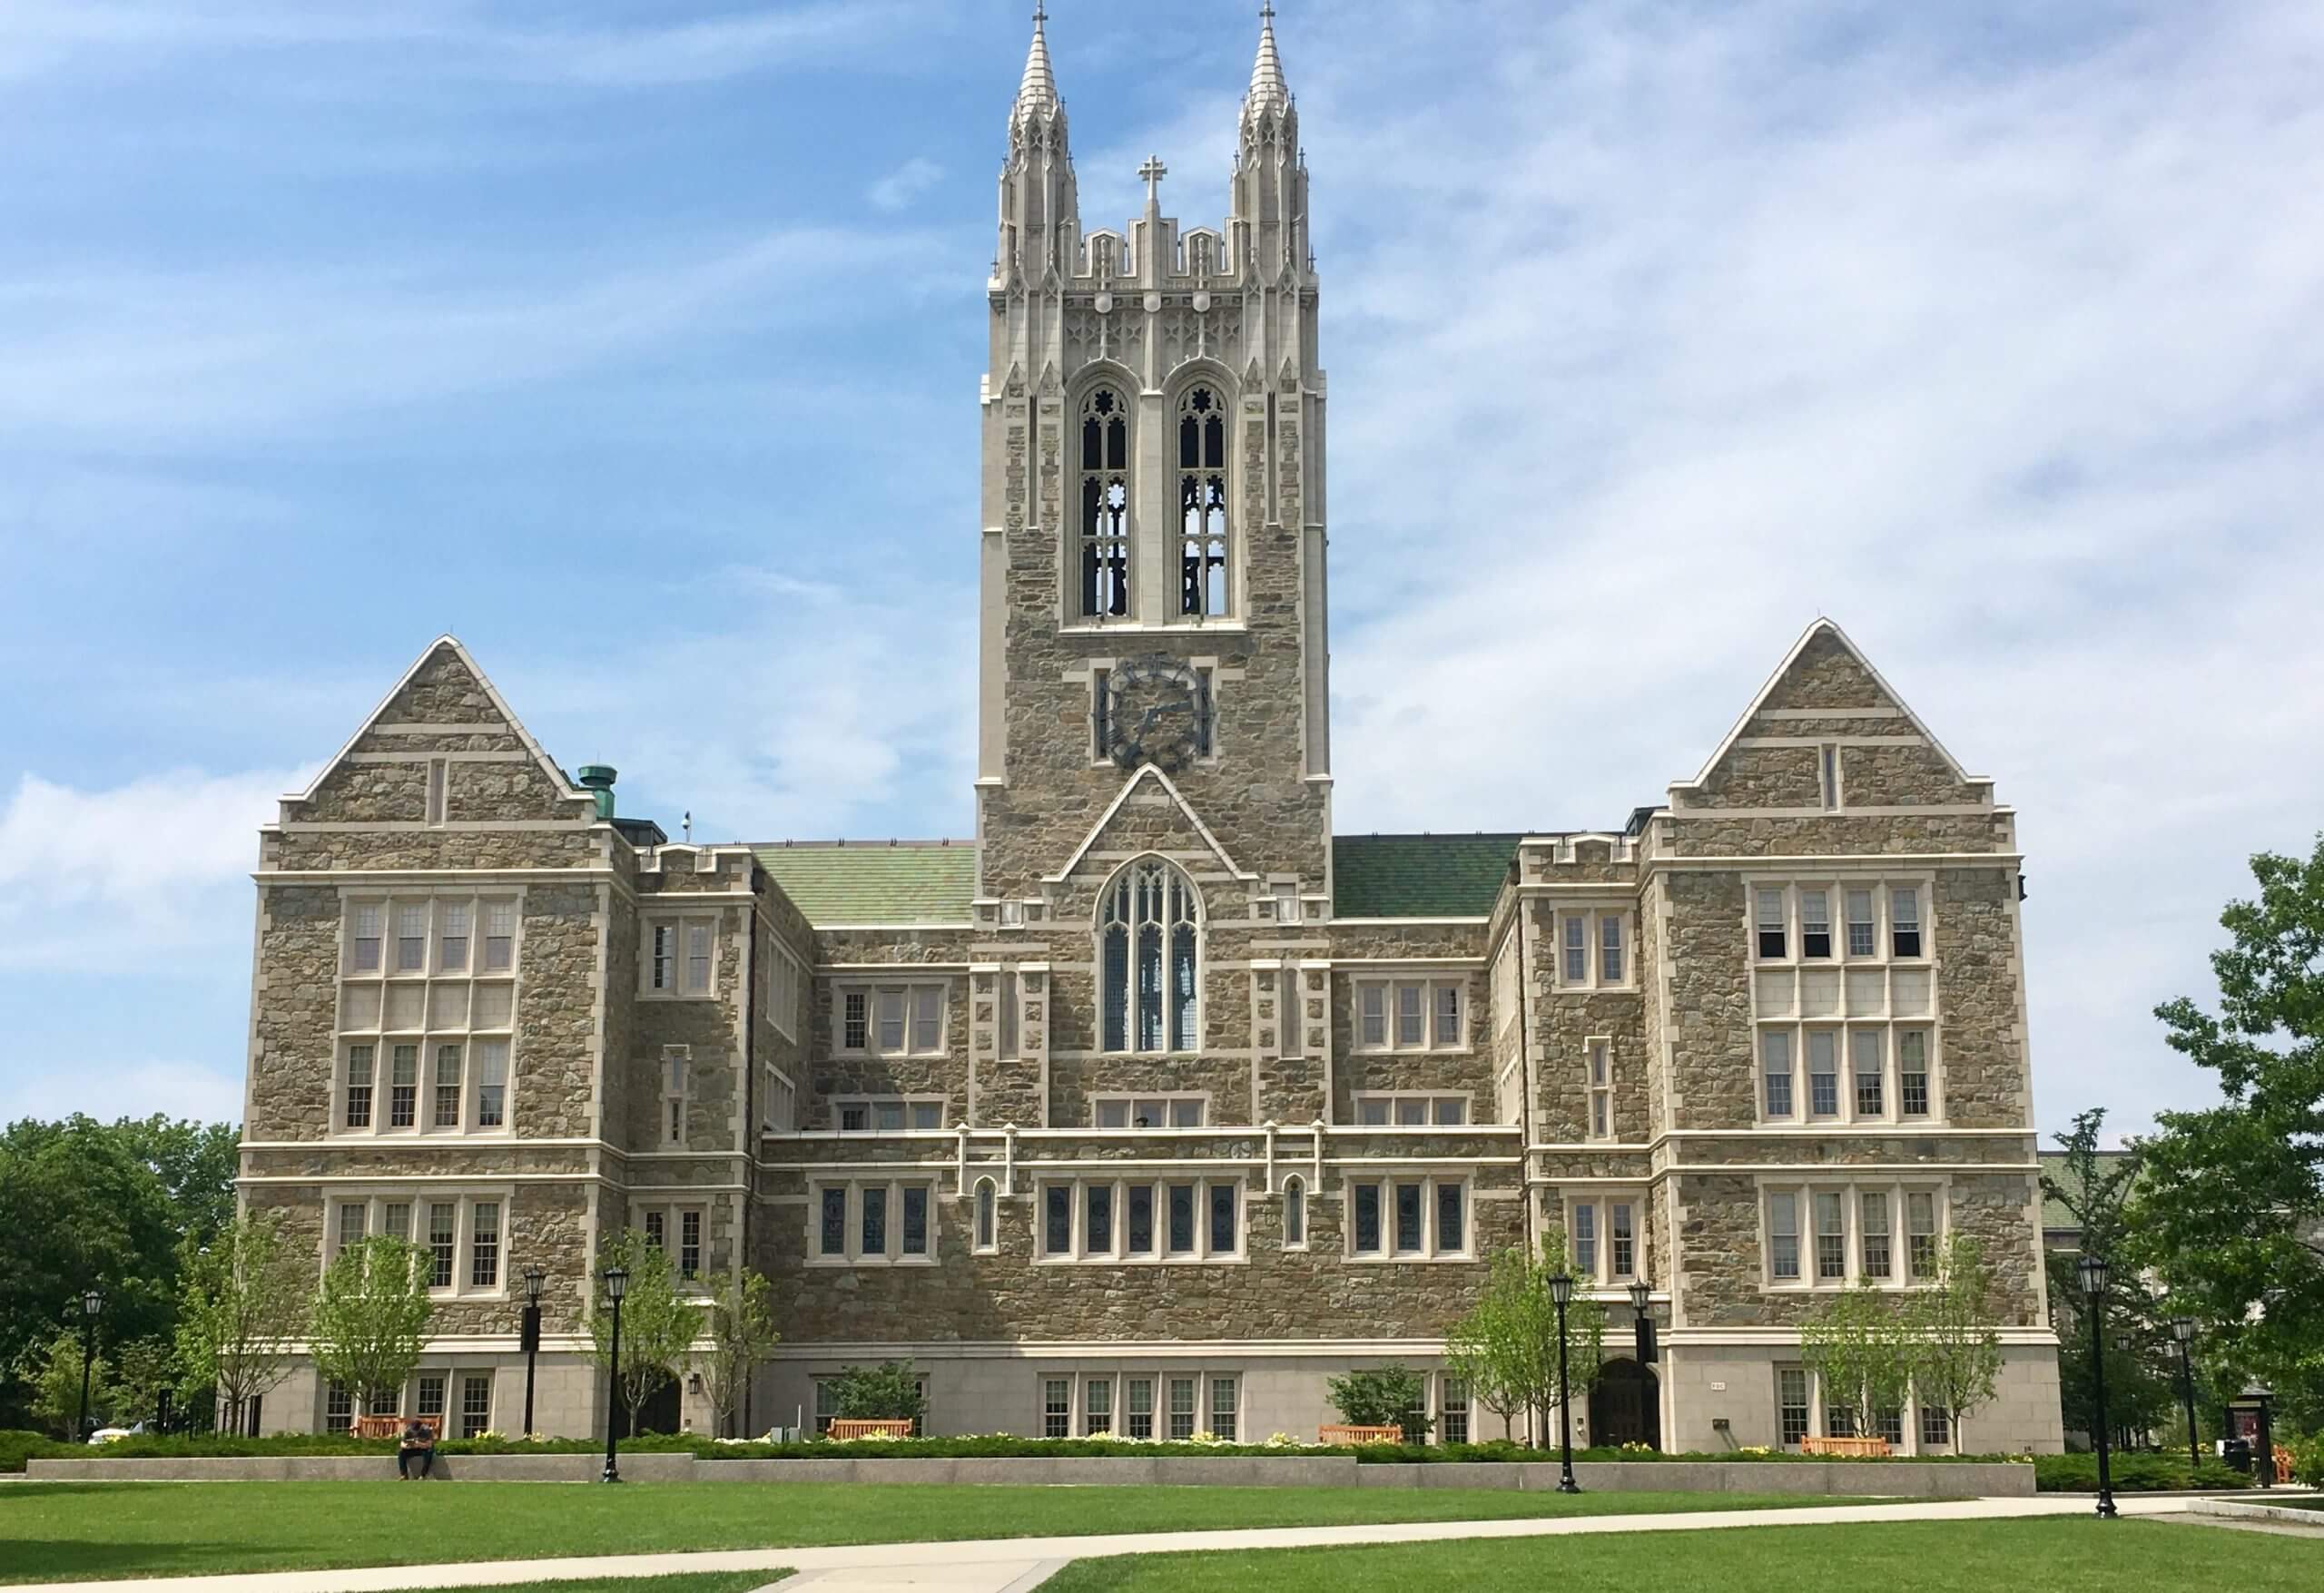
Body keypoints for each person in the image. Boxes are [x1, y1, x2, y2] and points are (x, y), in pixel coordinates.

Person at [396, 1416, 437, 1480]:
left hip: (424, 1449)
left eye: (417, 1430)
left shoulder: (426, 1430)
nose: (415, 1432)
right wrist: (407, 1446)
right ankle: (404, 1475)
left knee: (429, 1452)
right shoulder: (409, 1430)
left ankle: (423, 1475)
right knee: (401, 1452)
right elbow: (402, 1443)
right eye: (414, 1430)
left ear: (421, 1427)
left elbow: (429, 1445)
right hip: (412, 1448)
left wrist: (419, 1444)